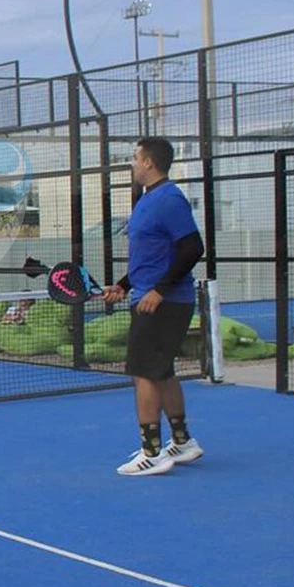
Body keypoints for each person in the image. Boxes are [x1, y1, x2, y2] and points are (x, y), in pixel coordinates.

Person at [101, 136, 206, 476]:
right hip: (150, 295)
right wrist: (123, 285)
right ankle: (182, 442)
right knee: (162, 371)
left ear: (149, 162)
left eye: (135, 158)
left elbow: (192, 248)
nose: (132, 163)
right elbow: (152, 257)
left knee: (144, 372)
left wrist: (159, 290)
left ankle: (152, 452)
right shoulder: (148, 200)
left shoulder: (169, 199)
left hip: (163, 302)